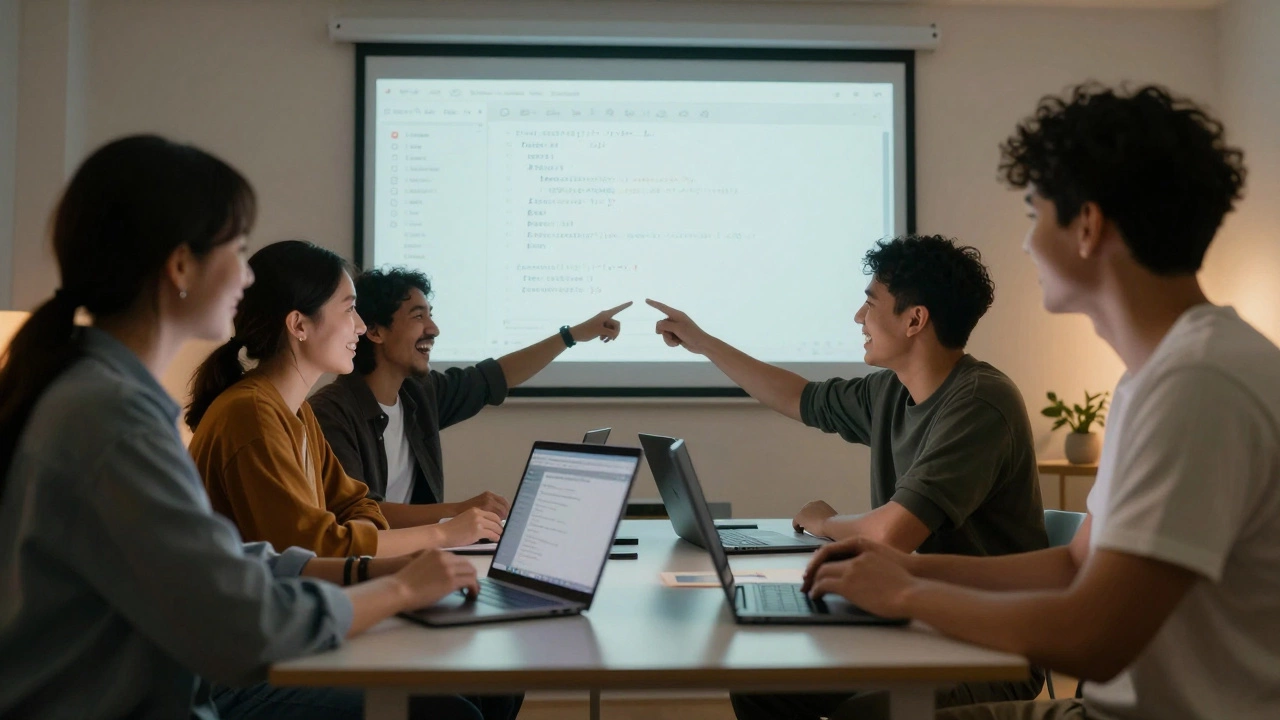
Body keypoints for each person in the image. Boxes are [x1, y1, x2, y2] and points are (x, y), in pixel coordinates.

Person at [804, 83, 1278, 720]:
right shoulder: (1165, 374)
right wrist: (904, 570)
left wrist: (908, 595)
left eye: (1033, 213)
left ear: (1086, 224)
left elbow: (1094, 639)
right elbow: (1074, 565)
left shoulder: (1196, 385)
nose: (1026, 243)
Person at [0, 134, 515, 719]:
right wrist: (397, 588)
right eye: (238, 249)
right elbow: (239, 622)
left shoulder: (105, 396)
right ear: (180, 266)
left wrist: (376, 568)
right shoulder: (113, 419)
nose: (247, 278)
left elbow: (232, 559)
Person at [649, 235, 1047, 719]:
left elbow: (890, 534)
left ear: (915, 319)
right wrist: (703, 342)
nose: (859, 318)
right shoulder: (890, 393)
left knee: (865, 712)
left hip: (989, 651)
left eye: (869, 304)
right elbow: (797, 397)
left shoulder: (981, 404)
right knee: (759, 685)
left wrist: (827, 523)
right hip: (919, 623)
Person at [186, 241, 503, 558]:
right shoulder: (252, 413)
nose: (362, 327)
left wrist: (354, 538)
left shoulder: (297, 411)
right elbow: (313, 548)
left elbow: (356, 505)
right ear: (299, 325)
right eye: (350, 309)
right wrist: (443, 533)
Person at [310, 266, 629, 520]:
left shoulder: (419, 394)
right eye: (418, 316)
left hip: (417, 558)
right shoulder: (330, 413)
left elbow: (495, 377)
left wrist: (572, 335)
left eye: (430, 315)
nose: (433, 329)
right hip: (369, 570)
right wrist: (457, 511)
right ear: (375, 331)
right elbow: (357, 513)